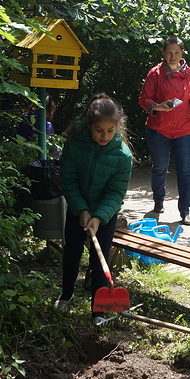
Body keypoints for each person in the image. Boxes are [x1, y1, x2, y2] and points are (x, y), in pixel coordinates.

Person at [55, 94, 134, 318]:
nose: (105, 136)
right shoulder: (75, 144)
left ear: (117, 128)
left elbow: (116, 192)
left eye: (110, 131)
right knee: (71, 251)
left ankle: (99, 309)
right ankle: (66, 293)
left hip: (105, 213)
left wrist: (98, 216)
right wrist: (81, 209)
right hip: (78, 207)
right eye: (99, 130)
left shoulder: (122, 156)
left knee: (100, 258)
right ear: (90, 125)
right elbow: (67, 179)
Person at [138, 36, 190, 225]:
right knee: (160, 167)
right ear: (163, 53)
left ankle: (185, 211)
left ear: (182, 53)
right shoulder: (155, 73)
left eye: (176, 52)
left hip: (184, 129)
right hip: (158, 129)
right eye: (169, 52)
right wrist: (158, 106)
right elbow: (144, 98)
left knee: (185, 170)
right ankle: (158, 202)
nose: (172, 56)